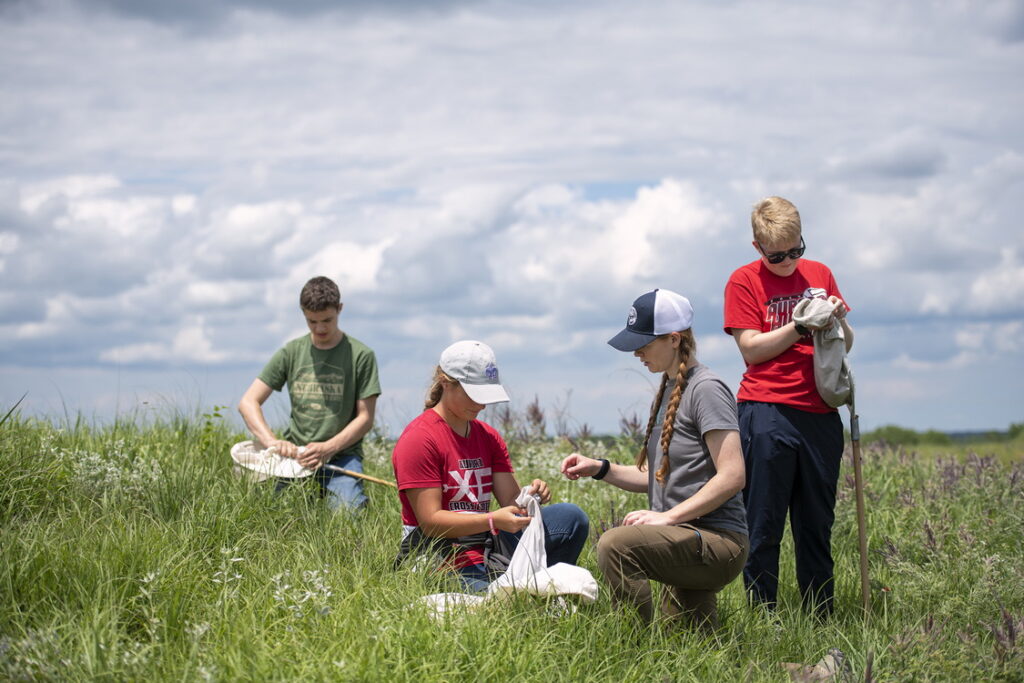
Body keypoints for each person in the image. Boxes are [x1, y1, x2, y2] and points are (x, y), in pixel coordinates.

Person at [561, 289, 748, 631]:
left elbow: (733, 475)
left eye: (643, 344)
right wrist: (599, 468)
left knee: (615, 545)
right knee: (694, 648)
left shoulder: (706, 389)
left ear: (674, 339)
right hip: (687, 536)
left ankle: (631, 645)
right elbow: (655, 477)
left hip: (718, 541)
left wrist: (668, 517)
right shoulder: (669, 388)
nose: (637, 353)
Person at [723, 196, 854, 617]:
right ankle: (765, 617)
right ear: (758, 247)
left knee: (816, 523)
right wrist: (798, 326)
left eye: (796, 250)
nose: (788, 261)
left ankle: (821, 616)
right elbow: (751, 349)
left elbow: (846, 344)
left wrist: (834, 321)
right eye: (777, 255)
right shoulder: (743, 281)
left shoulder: (820, 274)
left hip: (820, 412)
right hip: (766, 410)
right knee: (764, 522)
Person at [392, 340, 589, 592]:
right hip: (439, 555)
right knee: (489, 604)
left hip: (486, 543)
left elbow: (511, 502)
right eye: (474, 395)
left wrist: (531, 496)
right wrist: (492, 521)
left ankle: (544, 590)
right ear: (445, 381)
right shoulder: (419, 439)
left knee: (572, 518)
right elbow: (431, 522)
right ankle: (523, 591)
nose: (482, 405)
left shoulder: (488, 436)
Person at [238, 276, 381, 510]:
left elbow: (365, 418)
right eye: (312, 321)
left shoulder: (361, 355)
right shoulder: (291, 352)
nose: (320, 328)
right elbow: (248, 402)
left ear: (340, 309)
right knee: (273, 512)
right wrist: (272, 443)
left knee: (347, 516)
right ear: (303, 314)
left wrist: (329, 448)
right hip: (294, 456)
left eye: (327, 320)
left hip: (342, 457)